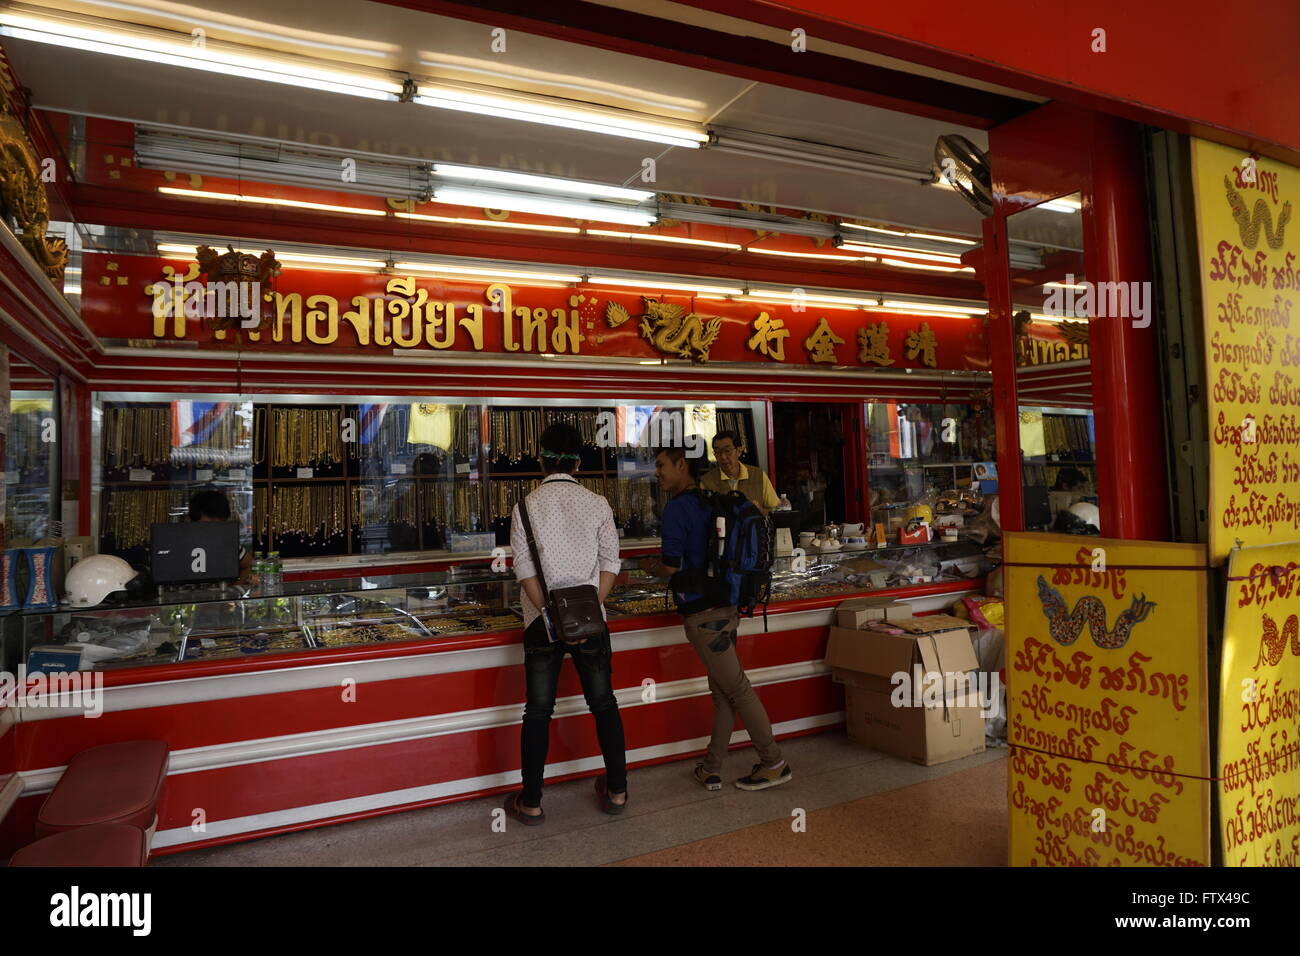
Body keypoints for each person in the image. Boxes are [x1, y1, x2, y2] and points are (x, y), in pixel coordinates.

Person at [641, 445, 792, 792]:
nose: (657, 473)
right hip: (725, 606)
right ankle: (711, 767)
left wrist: (647, 566)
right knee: (724, 692)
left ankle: (774, 762)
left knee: (737, 689)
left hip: (704, 616)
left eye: (662, 465)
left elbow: (671, 565)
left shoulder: (677, 508)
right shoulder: (711, 500)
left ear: (681, 465)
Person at [505, 422, 627, 824]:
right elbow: (611, 563)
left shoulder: (525, 506)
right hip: (591, 620)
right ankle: (617, 792)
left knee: (538, 710)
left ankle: (532, 802)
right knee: (604, 703)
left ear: (542, 460)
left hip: (540, 623)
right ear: (577, 463)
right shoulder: (598, 503)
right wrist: (584, 613)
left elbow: (524, 570)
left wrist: (553, 617)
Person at [699, 430, 780, 515]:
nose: (723, 457)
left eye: (727, 451)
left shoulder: (758, 476)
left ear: (739, 451)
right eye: (718, 452)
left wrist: (758, 510)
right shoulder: (706, 482)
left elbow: (776, 511)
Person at [187, 489, 252, 584]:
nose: (212, 532)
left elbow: (248, 564)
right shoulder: (180, 544)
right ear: (191, 521)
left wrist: (234, 589)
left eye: (219, 526)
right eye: (207, 526)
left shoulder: (227, 544)